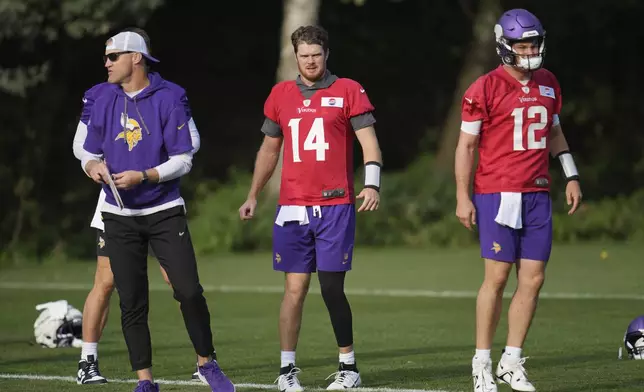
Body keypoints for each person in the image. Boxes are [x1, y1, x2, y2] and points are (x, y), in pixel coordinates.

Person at [79, 28, 234, 392]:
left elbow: (184, 159)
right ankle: (145, 382)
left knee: (189, 291)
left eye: (112, 56)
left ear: (136, 57)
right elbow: (87, 149)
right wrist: (92, 166)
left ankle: (207, 362)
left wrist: (145, 175)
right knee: (132, 301)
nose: (106, 63)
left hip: (164, 210)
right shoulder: (103, 98)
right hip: (119, 216)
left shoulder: (170, 96)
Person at [238, 25, 382, 392]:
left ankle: (348, 366)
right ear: (295, 57)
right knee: (295, 289)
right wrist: (253, 194)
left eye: (316, 55)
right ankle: (287, 370)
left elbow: (369, 143)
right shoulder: (281, 95)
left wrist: (372, 183)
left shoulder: (348, 90)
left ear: (326, 54)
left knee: (332, 287)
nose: (310, 61)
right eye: (304, 56)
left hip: (335, 204)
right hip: (292, 208)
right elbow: (269, 150)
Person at [454, 9, 583, 392]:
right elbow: (466, 145)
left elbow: (554, 130)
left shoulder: (548, 82)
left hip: (537, 192)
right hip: (497, 191)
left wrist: (571, 174)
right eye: (521, 45)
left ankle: (511, 359)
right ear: (505, 47)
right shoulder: (485, 87)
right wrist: (463, 196)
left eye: (533, 44)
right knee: (495, 278)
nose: (529, 52)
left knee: (534, 279)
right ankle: (481, 362)